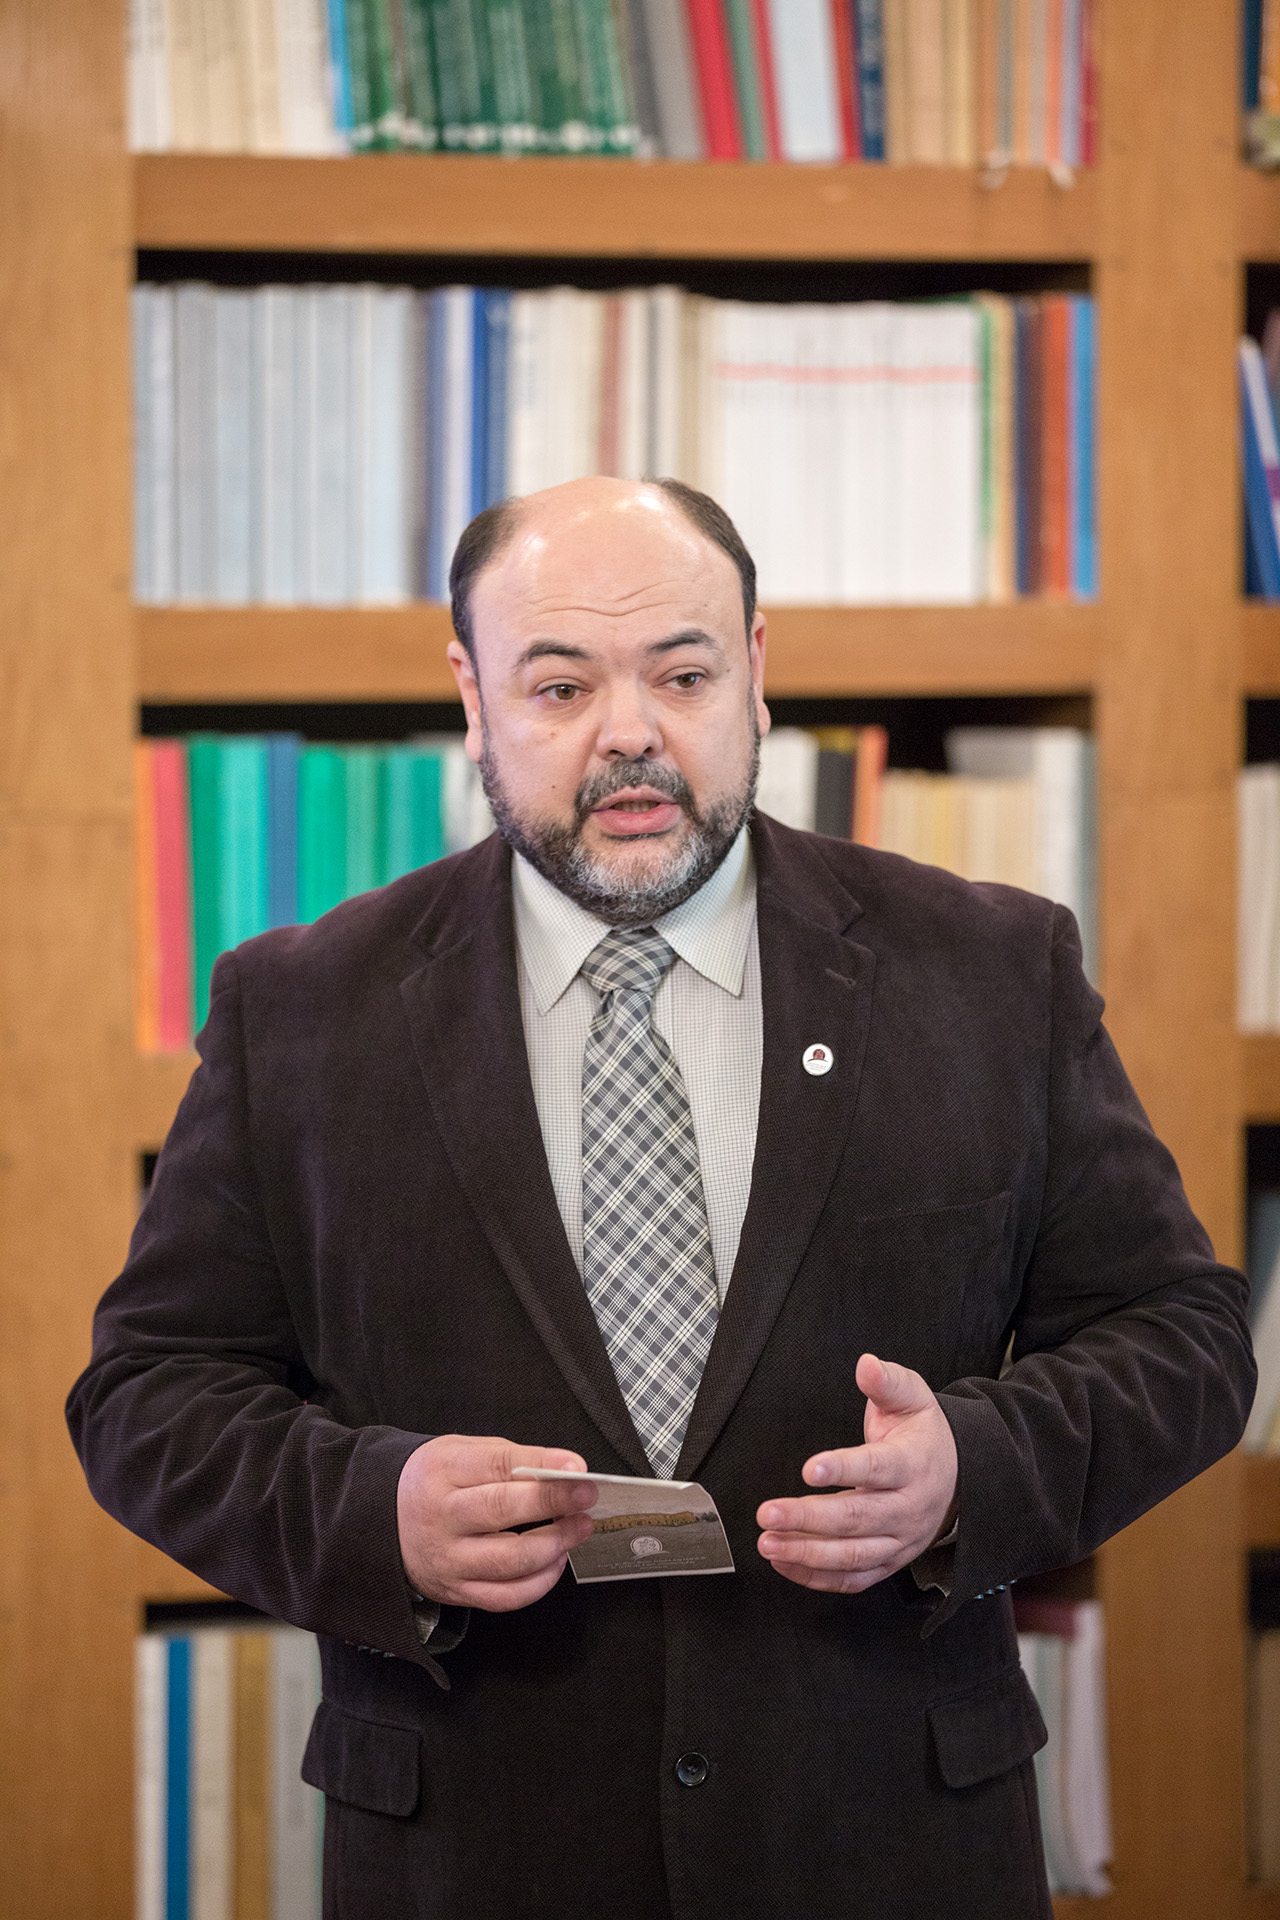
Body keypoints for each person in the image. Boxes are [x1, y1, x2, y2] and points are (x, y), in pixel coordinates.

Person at [69, 476, 1254, 1920]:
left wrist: (975, 1472)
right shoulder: (303, 1014)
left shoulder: (990, 971)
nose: (629, 732)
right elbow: (147, 1396)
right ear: (475, 701)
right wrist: (374, 1515)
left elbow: (1184, 1336)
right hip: (476, 1856)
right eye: (561, 685)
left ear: (756, 674)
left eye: (681, 675)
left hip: (887, 1845)